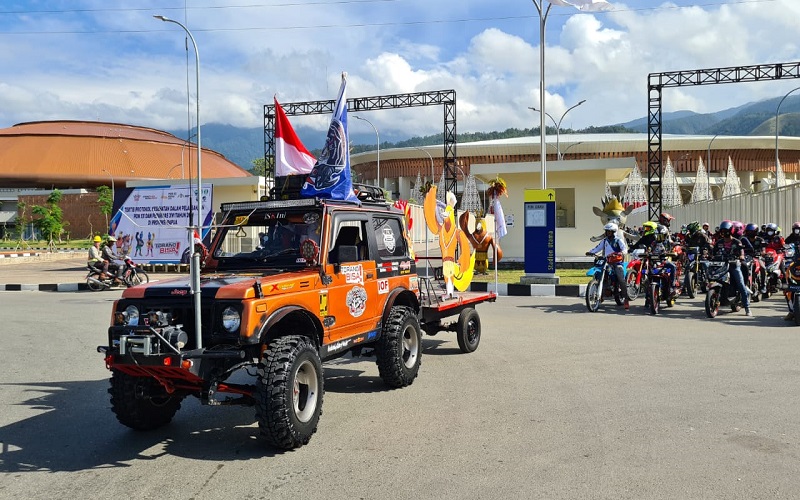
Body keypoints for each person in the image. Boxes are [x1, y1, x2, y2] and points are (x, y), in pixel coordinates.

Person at [711, 220, 752, 316]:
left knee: (741, 284)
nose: (724, 233)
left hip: (734, 265)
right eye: (722, 231)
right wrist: (709, 256)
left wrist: (741, 256)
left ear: (731, 231)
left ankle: (747, 308)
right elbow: (713, 253)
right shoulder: (719, 242)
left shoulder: (737, 242)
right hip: (722, 266)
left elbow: (741, 252)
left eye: (726, 231)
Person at [586, 222, 631, 309]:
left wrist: (621, 253)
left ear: (613, 232)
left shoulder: (618, 240)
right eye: (607, 231)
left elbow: (624, 249)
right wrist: (590, 252)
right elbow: (597, 248)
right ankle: (601, 294)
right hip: (606, 262)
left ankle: (626, 298)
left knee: (621, 279)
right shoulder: (604, 241)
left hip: (617, 262)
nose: (607, 233)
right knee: (599, 275)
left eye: (609, 231)